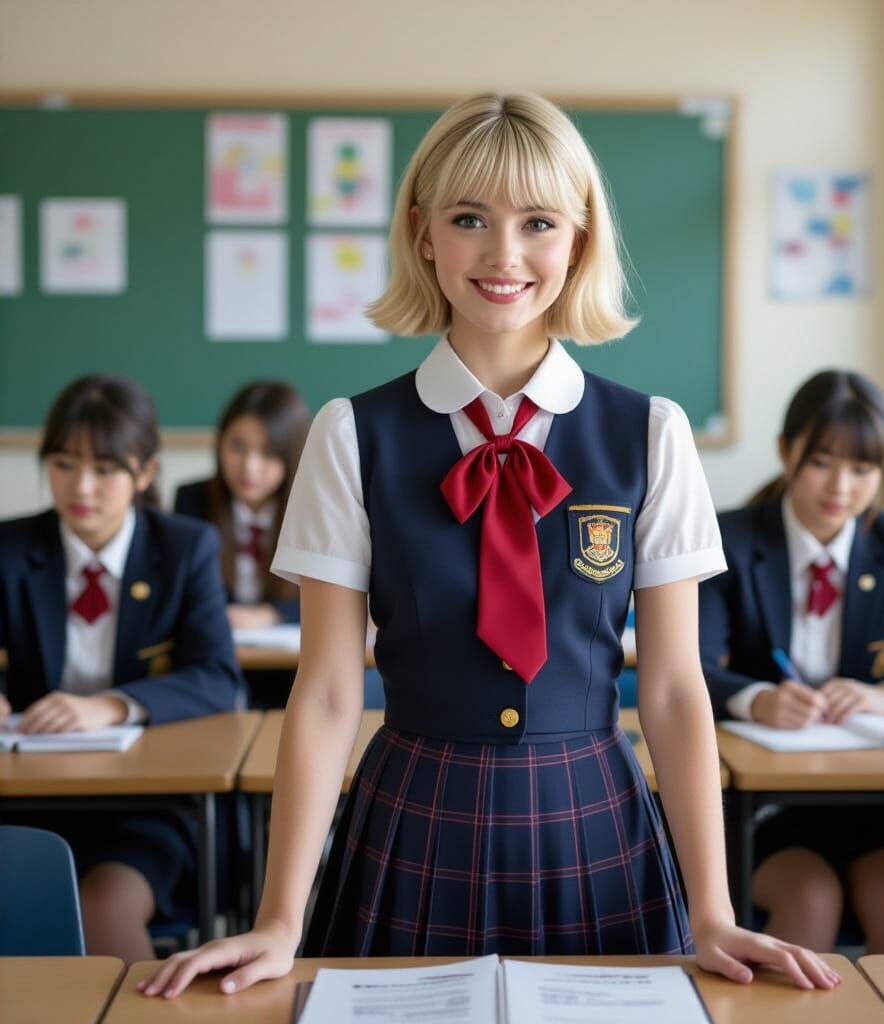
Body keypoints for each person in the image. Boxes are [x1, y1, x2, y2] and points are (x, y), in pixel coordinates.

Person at [141, 92, 838, 997]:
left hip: (593, 820)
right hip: (411, 817)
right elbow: (323, 693)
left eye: (538, 223)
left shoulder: (651, 433)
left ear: (579, 241)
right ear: (423, 232)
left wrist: (713, 909)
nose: (503, 255)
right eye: (471, 218)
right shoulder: (351, 435)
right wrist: (279, 916)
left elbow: (670, 688)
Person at [699, 369, 884, 953]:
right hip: (768, 805)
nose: (841, 486)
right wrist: (756, 699)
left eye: (863, 469)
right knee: (810, 898)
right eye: (822, 461)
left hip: (874, 802)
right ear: (786, 452)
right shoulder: (729, 538)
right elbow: (687, 669)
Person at [0, 373, 245, 961]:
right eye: (62, 464)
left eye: (105, 470)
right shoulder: (10, 548)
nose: (81, 486)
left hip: (146, 803)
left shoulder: (184, 548)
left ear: (144, 473)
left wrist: (108, 705)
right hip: (26, 796)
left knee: (103, 908)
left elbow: (219, 677)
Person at [174, 381, 309, 629]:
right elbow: (182, 591)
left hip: (290, 660)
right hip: (219, 652)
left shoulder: (312, 510)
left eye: (268, 452)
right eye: (237, 446)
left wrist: (271, 614)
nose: (249, 467)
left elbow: (335, 597)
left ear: (292, 455)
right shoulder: (192, 500)